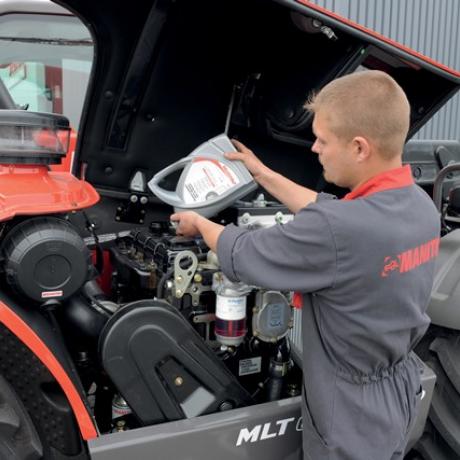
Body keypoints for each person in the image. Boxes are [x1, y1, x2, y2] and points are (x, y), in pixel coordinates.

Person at [171, 70, 440, 460]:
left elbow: (244, 253)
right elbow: (326, 210)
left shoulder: (339, 231)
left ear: (360, 148)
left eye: (323, 140)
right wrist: (262, 174)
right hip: (396, 390)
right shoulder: (418, 206)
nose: (314, 148)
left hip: (348, 413)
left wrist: (200, 224)